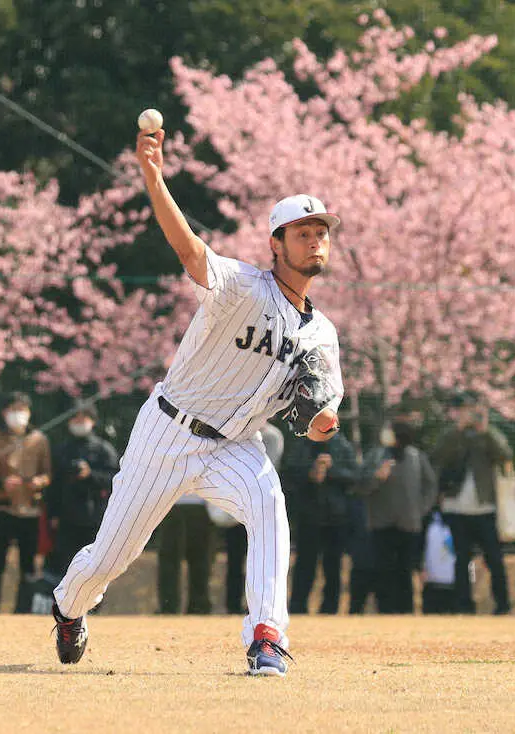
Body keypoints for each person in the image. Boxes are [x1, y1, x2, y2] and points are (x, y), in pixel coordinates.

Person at [50, 127, 344, 677]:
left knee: (269, 510)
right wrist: (154, 177)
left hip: (235, 444)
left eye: (321, 232)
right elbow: (189, 249)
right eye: (302, 232)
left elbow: (323, 415)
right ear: (275, 244)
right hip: (168, 431)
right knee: (114, 557)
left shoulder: (322, 334)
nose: (315, 241)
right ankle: (69, 606)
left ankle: (267, 637)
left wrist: (322, 422)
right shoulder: (239, 285)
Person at [431, 394, 514, 615]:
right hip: (456, 507)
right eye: (466, 410)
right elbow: (438, 456)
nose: (470, 414)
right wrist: (458, 429)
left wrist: (486, 430)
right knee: (461, 559)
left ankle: (503, 605)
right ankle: (464, 606)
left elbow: (505, 456)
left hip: (484, 507)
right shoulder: (451, 435)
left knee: (494, 559)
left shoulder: (487, 435)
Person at [0, 392, 52, 613]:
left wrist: (37, 482)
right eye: (13, 410)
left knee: (28, 566)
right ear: (4, 413)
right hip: (2, 508)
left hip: (30, 510)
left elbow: (47, 473)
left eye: (22, 410)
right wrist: (1, 484)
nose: (18, 415)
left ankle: (24, 609)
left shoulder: (39, 439)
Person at [356, 416, 438, 615]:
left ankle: (405, 610)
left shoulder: (416, 457)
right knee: (383, 569)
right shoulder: (376, 456)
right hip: (381, 523)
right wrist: (377, 477)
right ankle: (384, 609)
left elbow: (431, 485)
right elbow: (361, 486)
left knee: (405, 569)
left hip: (409, 524)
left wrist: (421, 510)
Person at [283, 430, 357, 615]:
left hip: (336, 518)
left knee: (333, 567)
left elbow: (354, 476)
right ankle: (298, 608)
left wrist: (331, 471)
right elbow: (288, 472)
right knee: (304, 566)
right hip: (308, 516)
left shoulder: (343, 445)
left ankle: (330, 609)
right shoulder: (302, 444)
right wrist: (311, 471)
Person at [46, 404, 119, 577]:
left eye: (83, 418)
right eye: (75, 418)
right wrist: (52, 515)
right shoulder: (61, 450)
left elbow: (115, 479)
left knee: (94, 570)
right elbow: (53, 486)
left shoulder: (104, 449)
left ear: (92, 421)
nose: (79, 422)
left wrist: (90, 474)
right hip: (67, 519)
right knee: (65, 568)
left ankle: (93, 606)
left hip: (95, 518)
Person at [222, 425, 285, 615]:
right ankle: (232, 605)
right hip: (236, 504)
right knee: (235, 559)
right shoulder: (233, 431)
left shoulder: (272, 436)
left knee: (261, 558)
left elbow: (266, 468)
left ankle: (259, 609)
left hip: (261, 505)